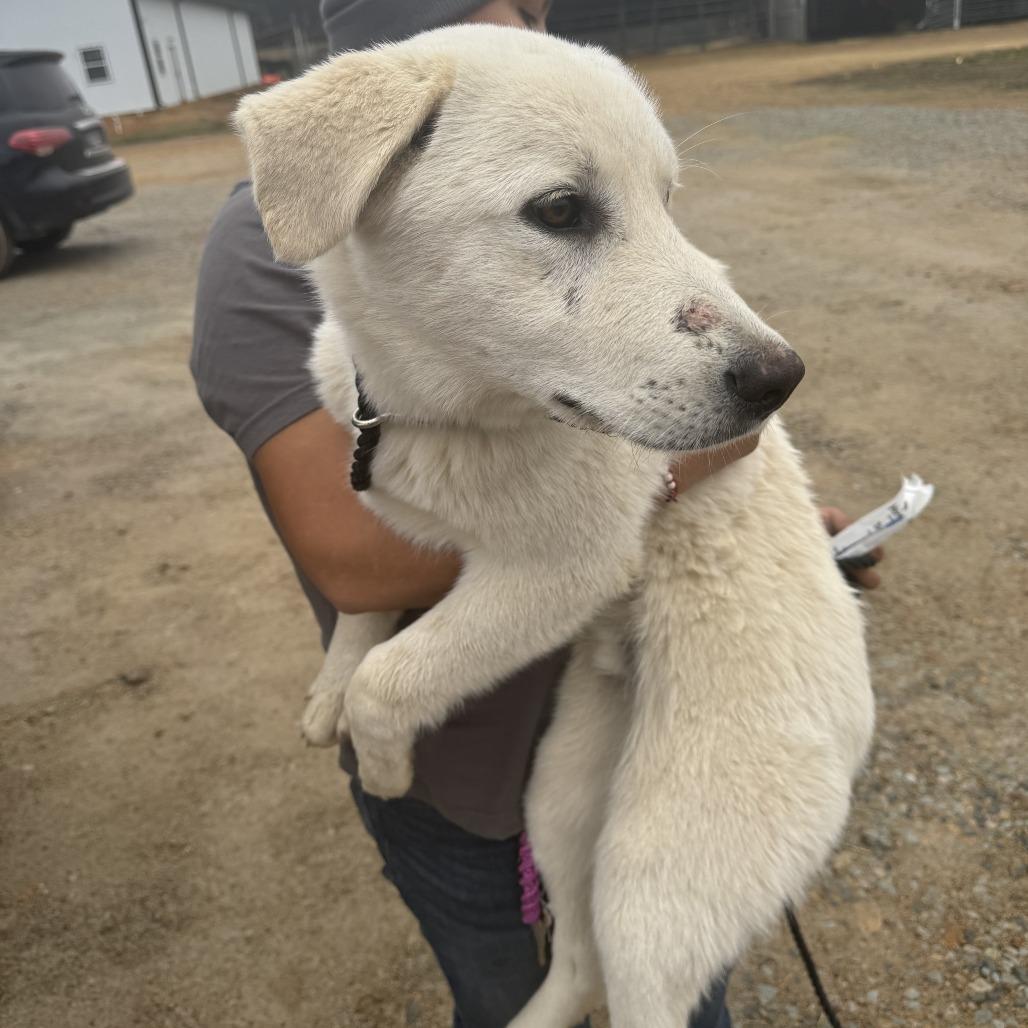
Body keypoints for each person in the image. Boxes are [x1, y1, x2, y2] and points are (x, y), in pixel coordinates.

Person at [190, 2, 881, 1025]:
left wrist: (756, 518)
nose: (530, 37)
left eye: (537, 16)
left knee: (661, 972)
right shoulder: (283, 236)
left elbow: (698, 435)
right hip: (463, 779)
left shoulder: (552, 122)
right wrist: (364, 667)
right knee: (504, 979)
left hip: (656, 704)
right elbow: (353, 551)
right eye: (561, 213)